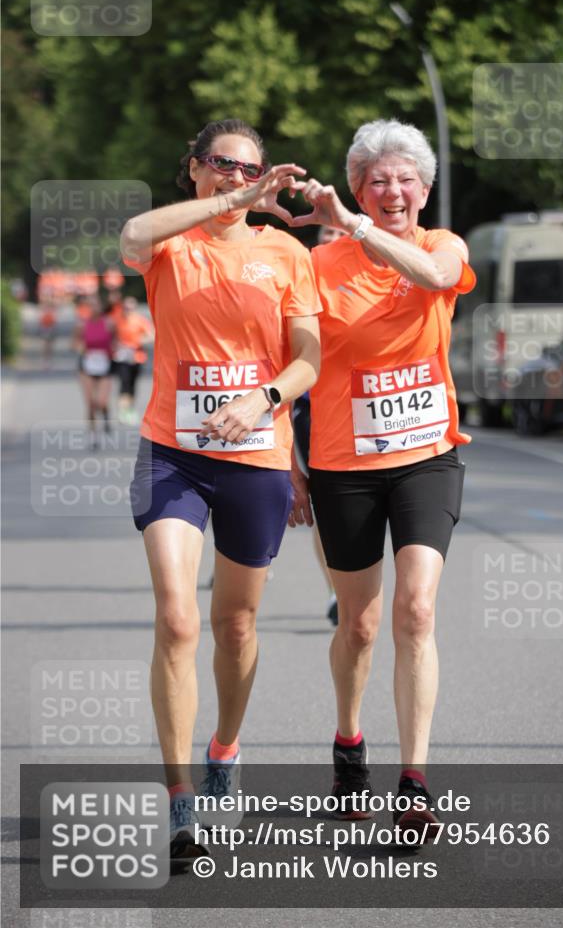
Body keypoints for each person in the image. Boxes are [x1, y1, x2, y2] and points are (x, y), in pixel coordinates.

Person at [119, 118, 320, 864]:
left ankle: (225, 749)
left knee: (234, 626)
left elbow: (308, 359)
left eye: (249, 170)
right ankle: (179, 803)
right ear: (196, 169)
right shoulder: (170, 242)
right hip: (172, 451)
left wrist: (264, 401)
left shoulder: (286, 254)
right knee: (176, 621)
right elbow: (133, 231)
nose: (236, 177)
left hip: (256, 454)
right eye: (221, 165)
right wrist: (226, 201)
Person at [290, 119, 475, 839]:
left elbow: (430, 278)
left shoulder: (441, 247)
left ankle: (415, 781)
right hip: (344, 464)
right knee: (360, 625)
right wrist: (289, 461)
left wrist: (356, 228)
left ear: (423, 190)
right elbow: (293, 363)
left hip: (427, 455)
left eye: (403, 179)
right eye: (375, 181)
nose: (391, 190)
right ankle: (347, 746)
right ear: (359, 188)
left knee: (417, 611)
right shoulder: (317, 267)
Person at [290, 225, 344, 625]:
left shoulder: (369, 277)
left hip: (362, 411)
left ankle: (354, 585)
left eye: (340, 232)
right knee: (327, 511)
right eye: (326, 232)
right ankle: (334, 592)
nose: (332, 239)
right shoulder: (299, 278)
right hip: (314, 412)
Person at [72, 295, 116, 447]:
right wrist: (80, 347)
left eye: (96, 305)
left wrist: (115, 350)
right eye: (90, 306)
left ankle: (105, 414)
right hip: (87, 366)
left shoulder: (109, 323)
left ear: (101, 306)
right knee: (90, 402)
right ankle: (93, 434)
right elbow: (74, 343)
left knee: (101, 401)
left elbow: (116, 340)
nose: (93, 308)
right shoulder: (82, 325)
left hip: (105, 365)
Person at [112, 296, 154, 425]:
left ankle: (130, 409)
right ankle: (122, 410)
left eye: (130, 308)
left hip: (137, 357)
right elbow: (111, 336)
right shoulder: (117, 320)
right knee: (124, 383)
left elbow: (151, 336)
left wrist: (137, 341)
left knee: (132, 385)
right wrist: (117, 345)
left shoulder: (140, 320)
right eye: (125, 308)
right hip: (122, 357)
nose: (128, 310)